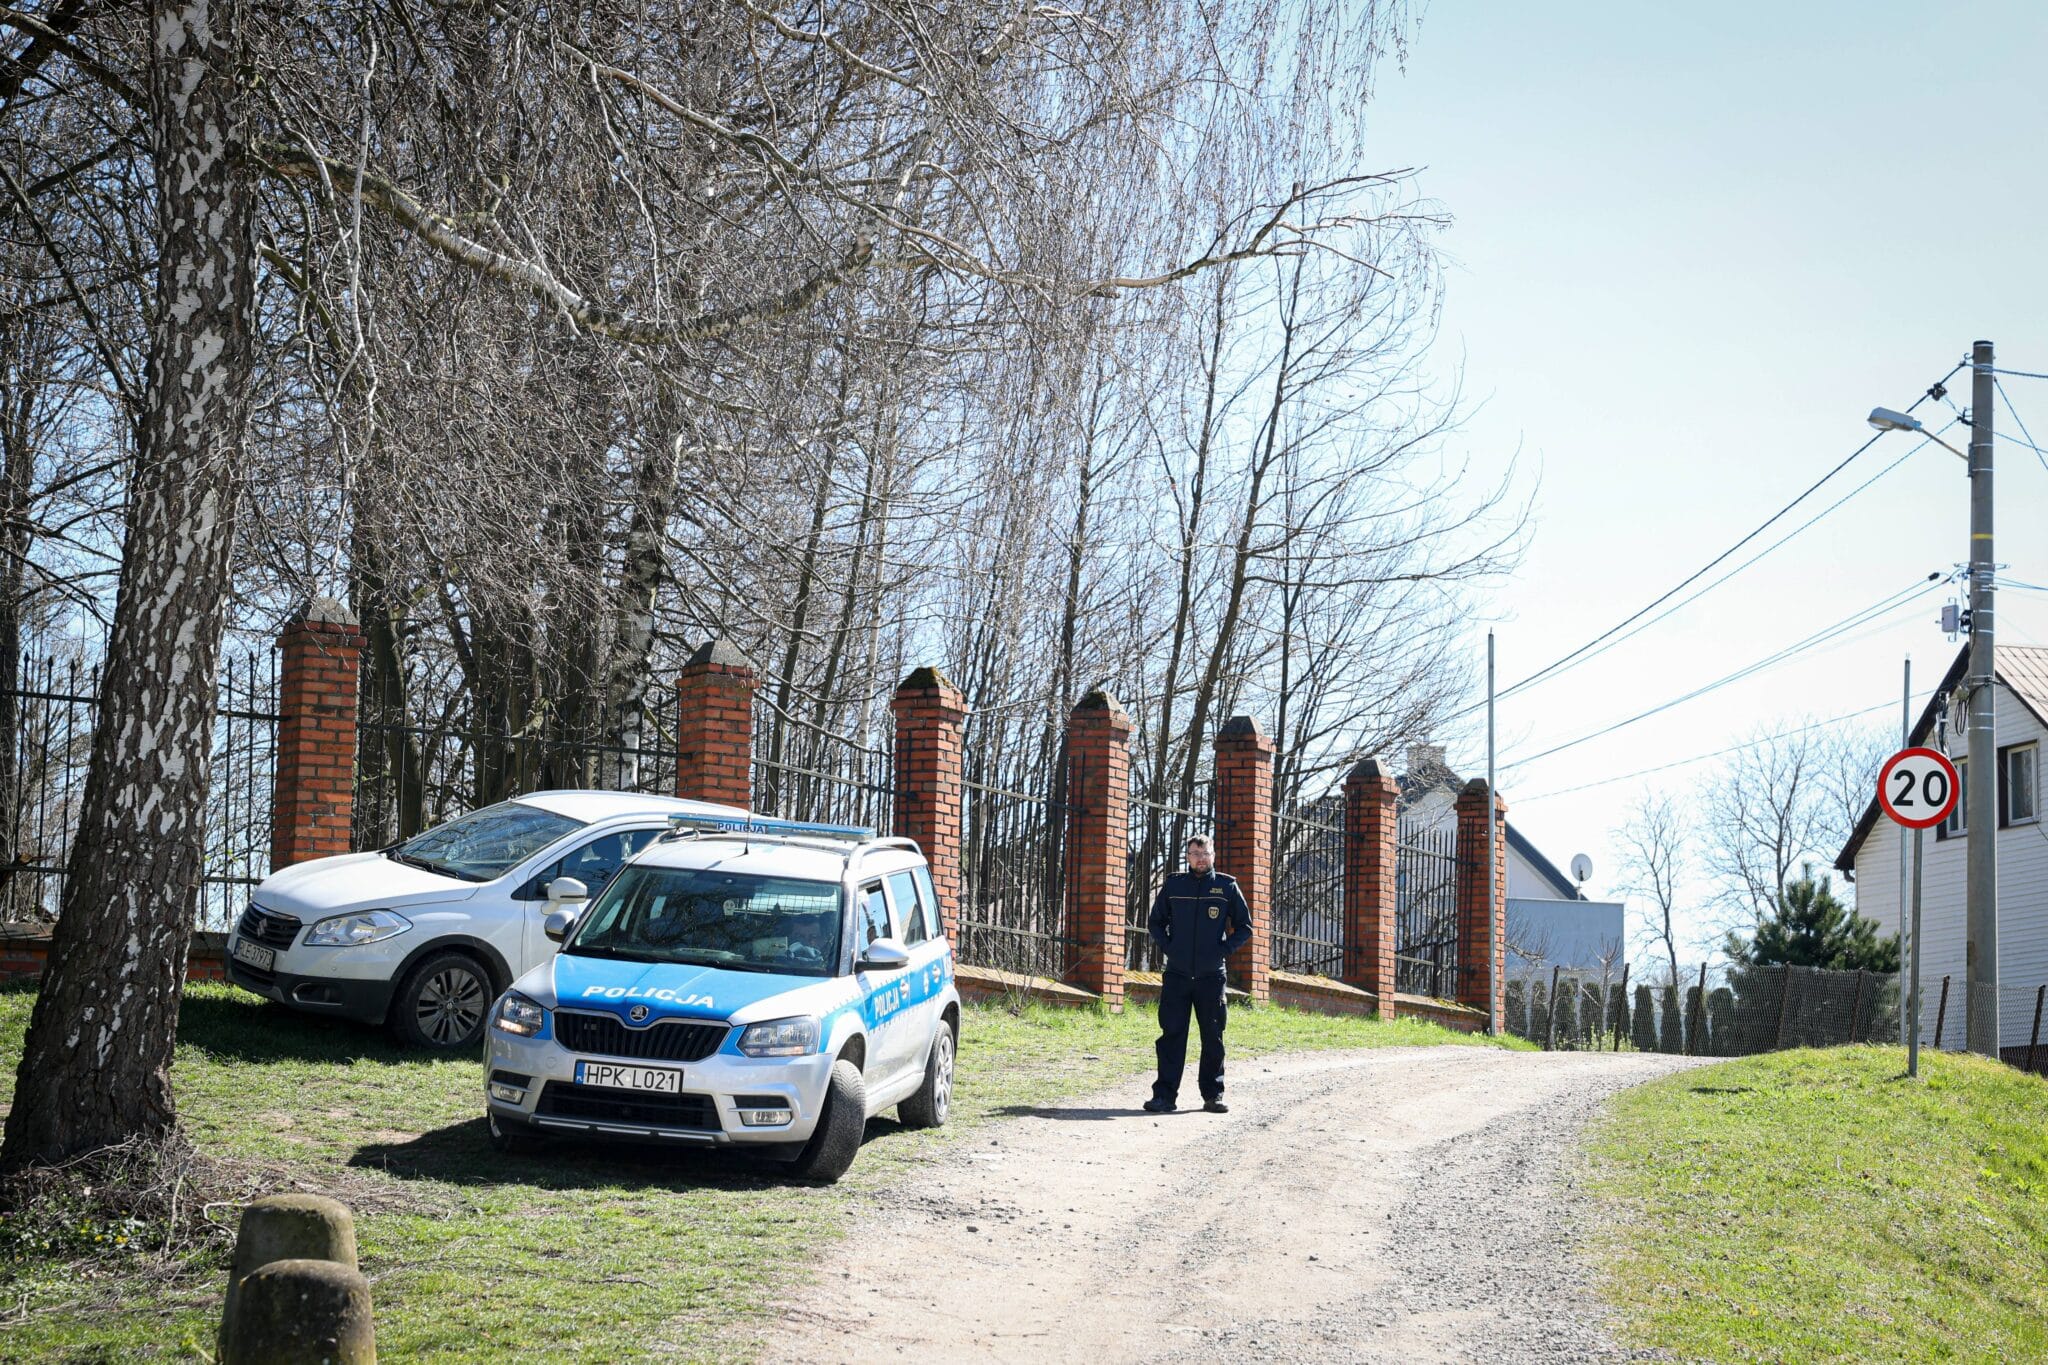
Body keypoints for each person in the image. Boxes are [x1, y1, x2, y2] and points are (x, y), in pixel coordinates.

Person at [1144, 834, 1253, 1114]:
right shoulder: (1174, 885)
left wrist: (1223, 950)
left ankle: (1212, 1095)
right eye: (1194, 853)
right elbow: (1156, 922)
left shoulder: (1226, 886)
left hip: (1211, 976)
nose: (1200, 858)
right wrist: (1171, 947)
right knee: (1171, 1036)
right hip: (1177, 975)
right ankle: (1164, 1097)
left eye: (1205, 853)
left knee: (1213, 1037)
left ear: (1213, 855)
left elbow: (1245, 927)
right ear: (1188, 856)